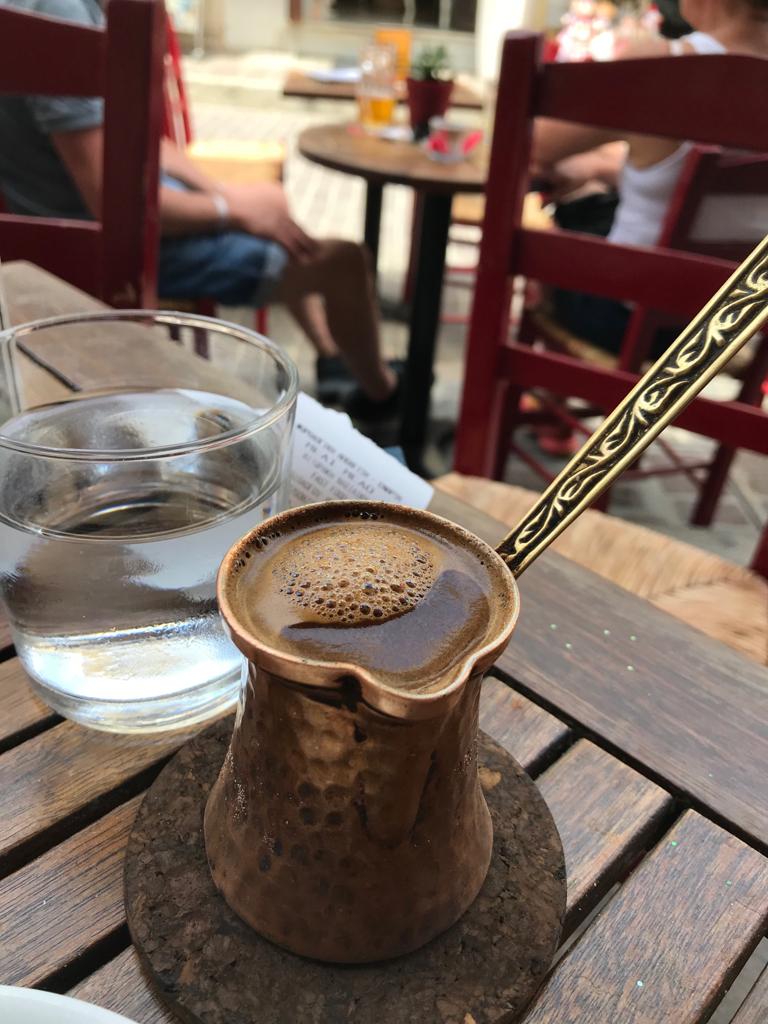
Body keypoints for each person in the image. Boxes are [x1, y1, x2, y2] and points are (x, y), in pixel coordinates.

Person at [0, 0, 400, 419]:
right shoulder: (60, 11)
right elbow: (107, 200)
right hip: (119, 253)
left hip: (123, 224)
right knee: (345, 261)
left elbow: (138, 140)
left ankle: (332, 355)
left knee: (273, 206)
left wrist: (229, 196)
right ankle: (384, 400)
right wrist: (230, 209)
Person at [530, 0, 768, 355]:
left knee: (555, 231)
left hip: (622, 319)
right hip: (726, 332)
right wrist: (599, 166)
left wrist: (590, 162)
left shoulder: (665, 65)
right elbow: (694, 182)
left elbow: (534, 143)